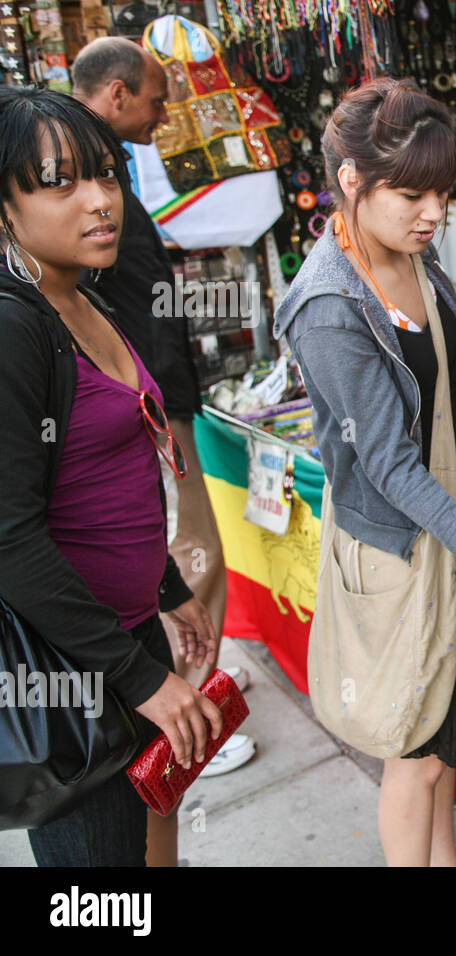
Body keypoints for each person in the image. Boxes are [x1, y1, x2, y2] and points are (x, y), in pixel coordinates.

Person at [273, 77, 456, 867]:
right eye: (412, 193)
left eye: (443, 193)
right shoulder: (327, 304)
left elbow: (454, 394)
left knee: (446, 747)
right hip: (405, 550)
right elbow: (386, 463)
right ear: (352, 182)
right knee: (412, 753)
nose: (434, 213)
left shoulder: (415, 255)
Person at [0, 85, 222, 866]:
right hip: (65, 670)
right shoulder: (12, 325)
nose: (100, 202)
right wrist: (137, 677)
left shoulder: (85, 296)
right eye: (60, 182)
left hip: (126, 639)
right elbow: (10, 537)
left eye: (106, 174)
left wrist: (166, 588)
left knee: (147, 841)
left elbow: (110, 478)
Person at [71, 39, 254, 793]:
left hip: (149, 403)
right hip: (143, 409)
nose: (164, 112)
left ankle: (182, 714)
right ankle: (189, 720)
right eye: (154, 98)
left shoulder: (101, 174)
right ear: (115, 94)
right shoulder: (89, 184)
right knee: (190, 550)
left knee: (183, 555)